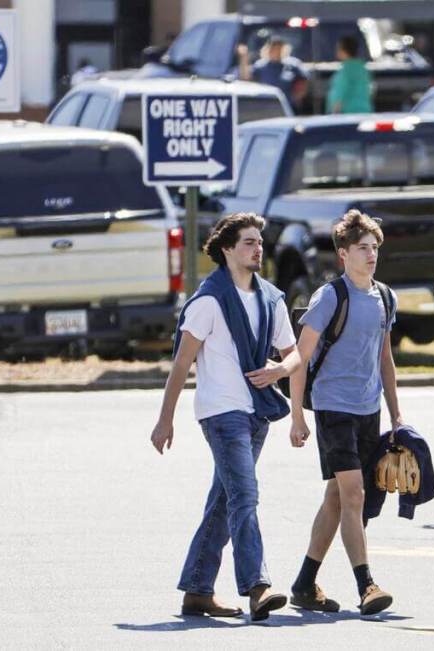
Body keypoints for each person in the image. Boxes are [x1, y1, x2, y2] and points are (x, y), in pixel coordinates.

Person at [150, 213, 299, 622]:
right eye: (249, 242)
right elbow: (181, 363)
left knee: (224, 500)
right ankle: (257, 587)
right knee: (245, 497)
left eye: (260, 242)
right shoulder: (209, 300)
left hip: (258, 410)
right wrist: (166, 420)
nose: (258, 249)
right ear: (228, 249)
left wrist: (279, 371)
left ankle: (198, 590)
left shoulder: (271, 297)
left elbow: (295, 354)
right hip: (222, 412)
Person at [288, 210, 400, 616]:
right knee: (354, 493)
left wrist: (396, 415)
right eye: (362, 249)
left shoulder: (386, 297)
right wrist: (297, 417)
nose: (371, 255)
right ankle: (366, 585)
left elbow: (385, 360)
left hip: (369, 410)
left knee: (337, 498)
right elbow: (299, 358)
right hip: (332, 408)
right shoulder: (329, 297)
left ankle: (304, 583)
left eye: (374, 248)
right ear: (343, 254)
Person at [246, 36, 308, 109]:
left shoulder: (293, 65)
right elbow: (250, 81)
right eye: (273, 48)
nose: (276, 51)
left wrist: (297, 98)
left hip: (288, 105)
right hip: (264, 105)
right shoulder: (260, 66)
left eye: (279, 48)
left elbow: (303, 82)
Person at [327, 35, 373, 114]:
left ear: (343, 50)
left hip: (348, 116)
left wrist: (333, 116)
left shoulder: (344, 72)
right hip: (365, 113)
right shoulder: (364, 70)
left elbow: (339, 96)